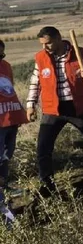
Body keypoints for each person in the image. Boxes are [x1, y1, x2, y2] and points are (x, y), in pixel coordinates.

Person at [26, 26, 83, 196]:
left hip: (78, 108)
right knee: (43, 148)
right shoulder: (41, 58)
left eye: (48, 43)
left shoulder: (80, 54)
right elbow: (35, 83)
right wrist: (30, 104)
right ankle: (47, 185)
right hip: (52, 110)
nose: (45, 47)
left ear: (58, 38)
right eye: (42, 44)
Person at [0, 39, 29, 224]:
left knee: (5, 161)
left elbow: (10, 91)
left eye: (2, 54)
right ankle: (5, 217)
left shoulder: (6, 66)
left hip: (10, 120)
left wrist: (17, 118)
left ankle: (6, 210)